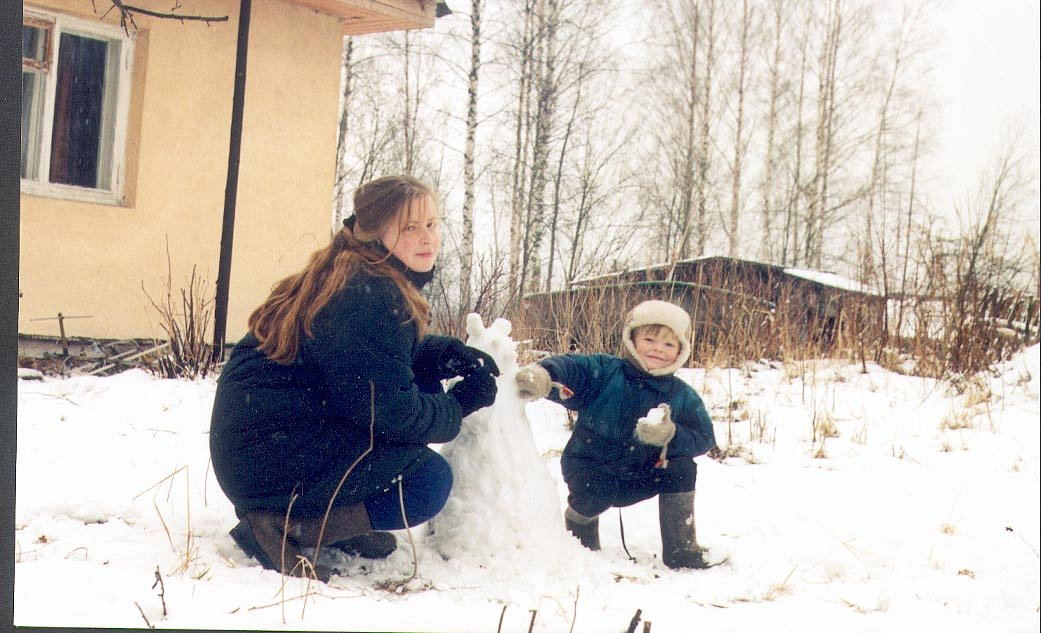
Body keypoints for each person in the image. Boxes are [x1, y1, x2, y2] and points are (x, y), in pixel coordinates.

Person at [209, 175, 499, 581]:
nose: (427, 239)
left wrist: (439, 353)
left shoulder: (358, 274)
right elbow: (391, 411)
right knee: (427, 480)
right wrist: (460, 405)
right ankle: (289, 526)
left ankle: (334, 519)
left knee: (423, 386)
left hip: (258, 451)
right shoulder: (370, 295)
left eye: (432, 224)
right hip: (267, 459)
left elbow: (363, 360)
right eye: (410, 227)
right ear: (378, 232)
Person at [514, 299, 717, 569]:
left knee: (682, 466)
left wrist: (671, 434)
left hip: (640, 474)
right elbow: (572, 369)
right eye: (649, 339)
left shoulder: (681, 395)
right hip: (590, 469)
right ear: (632, 339)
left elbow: (704, 436)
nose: (658, 349)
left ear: (681, 351)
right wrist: (544, 374)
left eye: (669, 344)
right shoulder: (606, 371)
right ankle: (579, 533)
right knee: (595, 493)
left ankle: (682, 549)